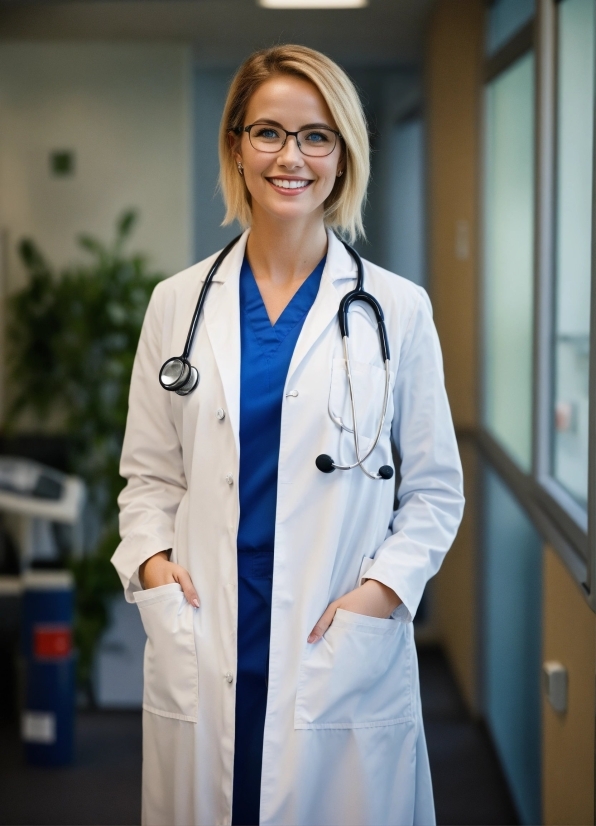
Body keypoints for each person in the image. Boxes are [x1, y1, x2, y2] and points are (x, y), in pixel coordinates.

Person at [112, 44, 464, 826]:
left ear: (343, 154)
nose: (291, 157)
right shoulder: (178, 304)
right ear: (236, 144)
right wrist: (154, 566)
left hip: (334, 643)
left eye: (316, 136)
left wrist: (380, 597)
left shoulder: (398, 310)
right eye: (268, 131)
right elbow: (148, 478)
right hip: (208, 637)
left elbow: (435, 491)